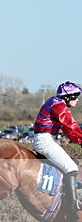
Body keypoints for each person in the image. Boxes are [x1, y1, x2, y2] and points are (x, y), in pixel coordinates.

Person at [33, 81, 82, 211]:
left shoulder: (56, 103)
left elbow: (69, 131)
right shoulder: (59, 105)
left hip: (46, 139)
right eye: (75, 97)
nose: (77, 100)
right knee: (71, 167)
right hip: (45, 140)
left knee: (72, 164)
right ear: (67, 97)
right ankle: (73, 204)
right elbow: (70, 125)